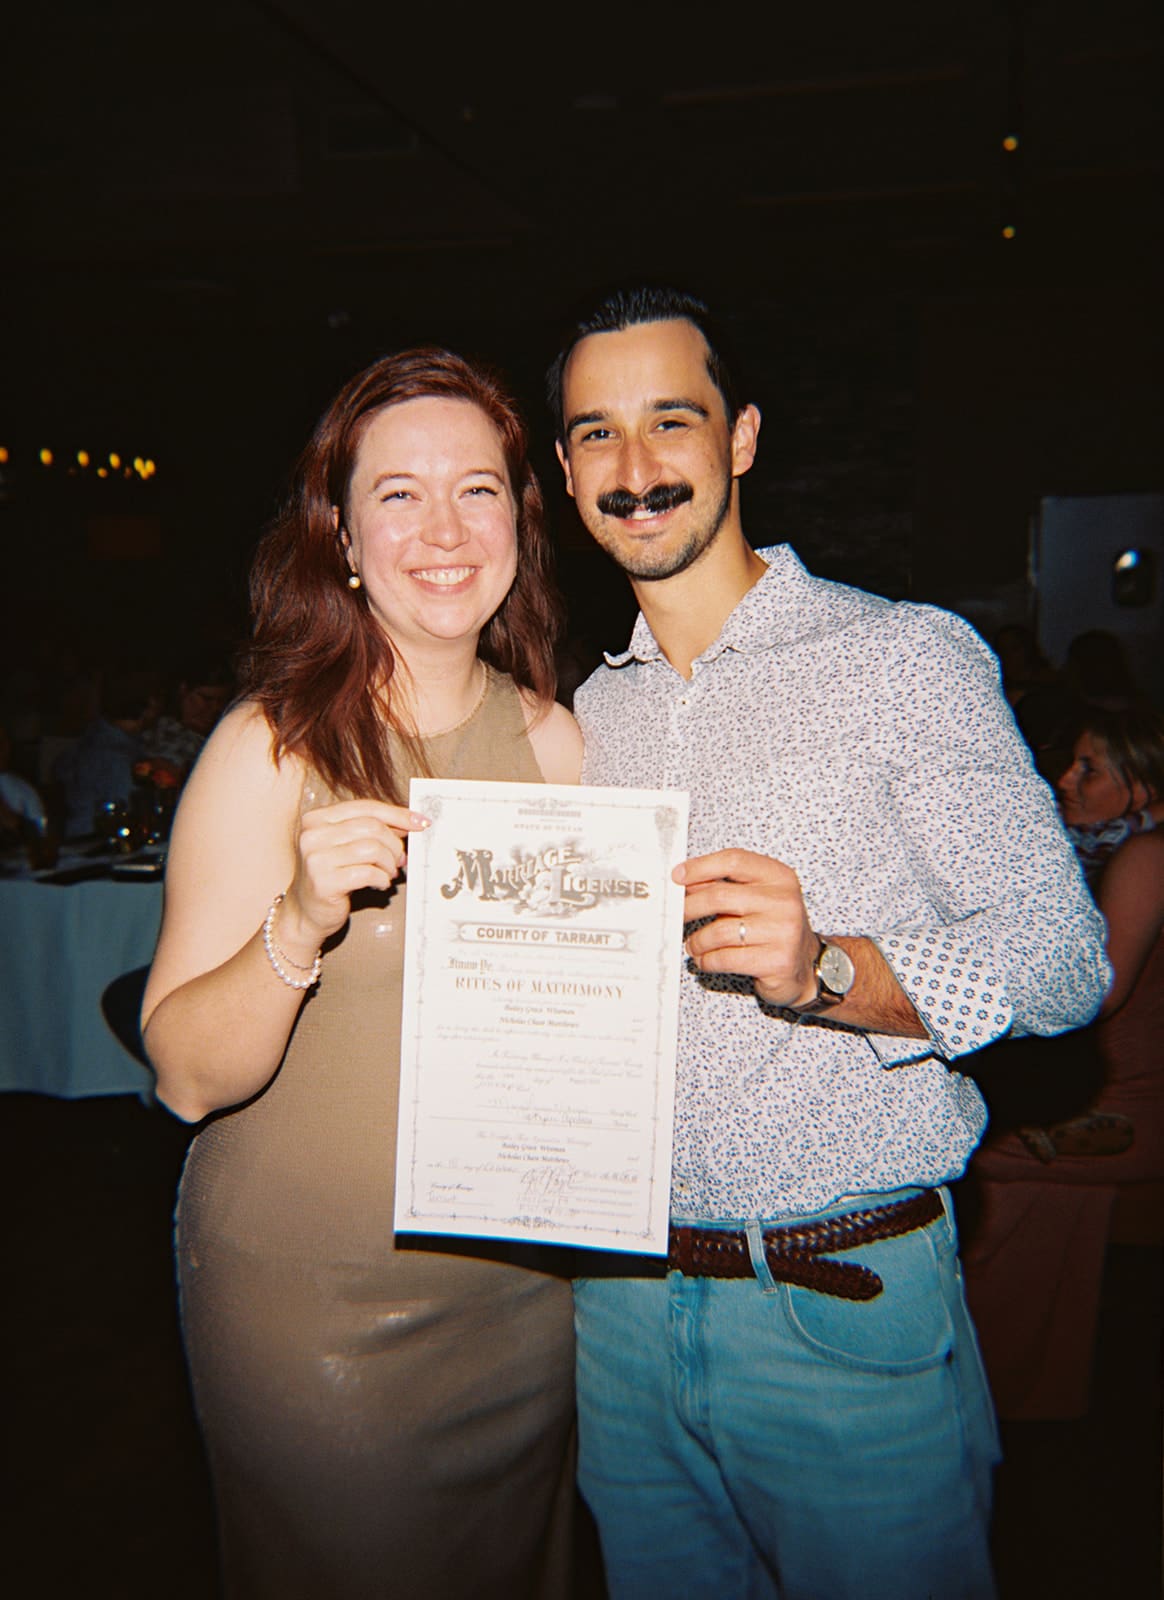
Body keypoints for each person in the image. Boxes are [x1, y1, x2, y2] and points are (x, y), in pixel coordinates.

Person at [545, 286, 1110, 1600]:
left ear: (739, 438)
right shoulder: (582, 720)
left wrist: (827, 971)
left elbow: (1064, 959)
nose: (635, 473)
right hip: (617, 1320)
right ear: (562, 469)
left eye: (669, 423)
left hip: (842, 1307)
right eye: (594, 435)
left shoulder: (902, 657)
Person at [142, 348, 583, 1599]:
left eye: (478, 490)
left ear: (519, 521)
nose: (443, 529)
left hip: (523, 1293)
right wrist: (298, 914)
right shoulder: (269, 743)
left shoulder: (563, 745)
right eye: (398, 493)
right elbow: (182, 1077)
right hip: (315, 1304)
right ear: (340, 536)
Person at [964, 702, 1164, 1419]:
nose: (1064, 781)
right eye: (1068, 763)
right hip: (1109, 1099)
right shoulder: (1112, 850)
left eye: (1091, 769)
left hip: (1127, 1111)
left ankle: (1009, 1403)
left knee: (968, 1163)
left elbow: (1094, 992)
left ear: (1143, 786)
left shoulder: (1147, 852)